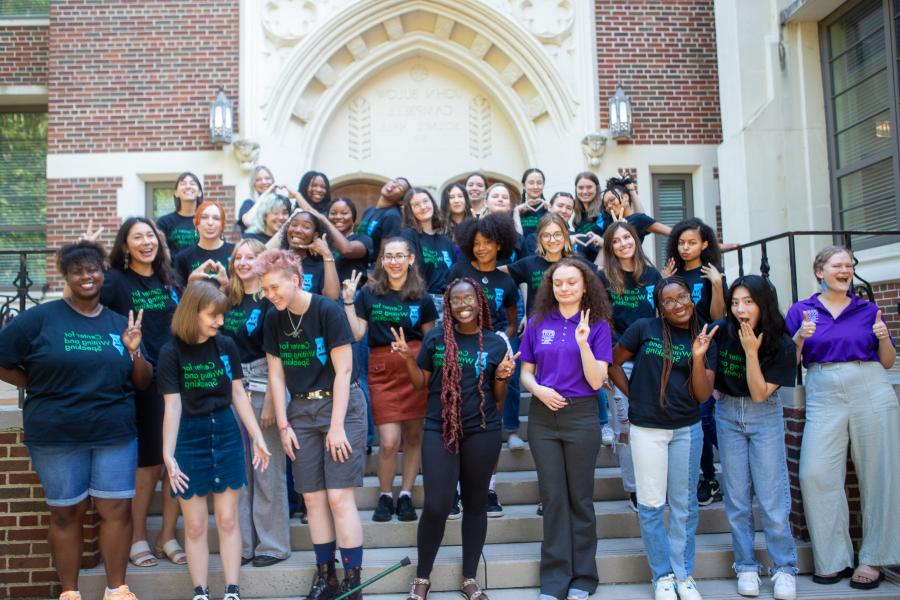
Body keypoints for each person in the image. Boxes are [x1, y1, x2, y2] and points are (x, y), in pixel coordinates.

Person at [0, 241, 152, 600]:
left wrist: (134, 352)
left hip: (114, 432)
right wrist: (33, 382)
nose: (87, 276)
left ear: (103, 273)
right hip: (56, 434)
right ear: (66, 275)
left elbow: (143, 382)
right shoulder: (40, 319)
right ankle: (70, 592)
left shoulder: (120, 323)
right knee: (68, 513)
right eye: (78, 270)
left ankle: (117, 589)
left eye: (93, 269)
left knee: (116, 509)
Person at [257, 249, 368, 600]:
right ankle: (326, 577)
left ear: (294, 280)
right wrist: (284, 424)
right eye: (265, 290)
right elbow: (275, 374)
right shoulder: (273, 318)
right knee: (312, 499)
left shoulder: (327, 310)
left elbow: (345, 370)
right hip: (302, 411)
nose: (269, 295)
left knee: (338, 498)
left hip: (342, 407)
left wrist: (336, 427)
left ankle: (353, 583)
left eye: (274, 287)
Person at [787, 246, 899, 591]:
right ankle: (833, 559)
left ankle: (874, 558)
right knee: (815, 472)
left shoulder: (868, 310)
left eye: (849, 265)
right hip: (822, 389)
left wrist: (883, 339)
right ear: (819, 271)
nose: (845, 270)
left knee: (880, 473)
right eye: (838, 265)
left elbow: (888, 361)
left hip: (870, 385)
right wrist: (798, 339)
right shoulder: (802, 311)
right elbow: (788, 361)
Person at [397, 278, 517, 600]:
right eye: (455, 301)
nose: (462, 306)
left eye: (468, 300)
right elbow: (421, 383)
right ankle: (422, 577)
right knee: (437, 505)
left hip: (482, 429)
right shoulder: (436, 338)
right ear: (448, 306)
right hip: (440, 428)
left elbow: (498, 398)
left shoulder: (494, 344)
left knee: (476, 505)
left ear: (480, 302)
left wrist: (503, 378)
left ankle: (469, 578)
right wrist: (408, 358)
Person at [159, 281, 271, 600]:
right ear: (193, 312)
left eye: (222, 316)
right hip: (189, 437)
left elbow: (238, 393)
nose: (220, 322)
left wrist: (258, 437)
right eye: (213, 315)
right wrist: (168, 455)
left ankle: (232, 591)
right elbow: (173, 405)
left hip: (225, 432)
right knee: (194, 526)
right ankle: (201, 592)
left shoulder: (226, 346)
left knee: (227, 518)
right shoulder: (171, 352)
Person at [609, 276, 718, 600]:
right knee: (652, 505)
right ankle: (662, 576)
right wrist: (634, 397)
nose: (678, 304)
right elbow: (613, 362)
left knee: (684, 507)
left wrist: (698, 356)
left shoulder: (705, 335)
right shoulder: (644, 328)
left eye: (682, 297)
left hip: (686, 429)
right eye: (669, 301)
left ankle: (683, 574)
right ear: (660, 307)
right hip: (647, 430)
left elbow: (702, 394)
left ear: (691, 297)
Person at [519, 258, 612, 600]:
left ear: (585, 285)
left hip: (581, 415)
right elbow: (525, 371)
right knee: (553, 499)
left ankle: (584, 578)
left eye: (571, 282)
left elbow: (597, 379)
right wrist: (538, 389)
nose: (564, 288)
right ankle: (555, 580)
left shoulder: (599, 324)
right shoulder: (538, 321)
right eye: (558, 283)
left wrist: (584, 342)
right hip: (543, 418)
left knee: (580, 499)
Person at [100, 217, 185, 568]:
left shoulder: (170, 279)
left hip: (178, 377)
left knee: (176, 462)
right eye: (137, 237)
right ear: (125, 245)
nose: (146, 242)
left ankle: (167, 534)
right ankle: (137, 537)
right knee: (149, 464)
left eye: (150, 235)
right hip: (142, 379)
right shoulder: (115, 281)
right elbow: (82, 304)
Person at [713, 275, 797, 599]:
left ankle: (784, 567)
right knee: (736, 497)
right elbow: (710, 369)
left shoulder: (782, 343)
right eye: (735, 302)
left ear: (763, 303)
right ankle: (746, 566)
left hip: (764, 415)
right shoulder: (724, 331)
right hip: (728, 414)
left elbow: (761, 394)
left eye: (748, 302)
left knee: (772, 497)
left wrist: (751, 353)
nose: (740, 309)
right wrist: (716, 388)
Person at [342, 237, 438, 522]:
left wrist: (416, 358)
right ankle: (385, 495)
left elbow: (431, 338)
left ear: (410, 259)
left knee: (413, 436)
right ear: (382, 261)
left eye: (400, 255)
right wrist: (348, 301)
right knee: (388, 441)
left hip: (414, 365)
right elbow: (358, 333)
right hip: (382, 369)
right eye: (388, 256)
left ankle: (406, 494)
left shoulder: (423, 296)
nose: (394, 261)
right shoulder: (370, 293)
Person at [503, 214, 600, 451]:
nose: (552, 239)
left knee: (590, 371)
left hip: (577, 327)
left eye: (557, 234)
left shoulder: (581, 264)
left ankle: (603, 423)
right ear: (539, 239)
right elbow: (497, 273)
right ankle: (513, 429)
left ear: (566, 235)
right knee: (521, 373)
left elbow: (604, 280)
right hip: (540, 330)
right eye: (546, 235)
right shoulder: (530, 263)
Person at [221, 239, 290, 568]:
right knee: (241, 470)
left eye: (252, 257)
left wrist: (270, 404)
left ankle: (273, 545)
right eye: (239, 257)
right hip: (232, 387)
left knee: (267, 469)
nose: (244, 262)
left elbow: (276, 354)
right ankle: (244, 544)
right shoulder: (227, 300)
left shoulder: (270, 301)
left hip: (265, 385)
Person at [448, 213, 520, 517]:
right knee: (454, 419)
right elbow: (448, 310)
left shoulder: (506, 280)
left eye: (487, 243)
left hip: (493, 354)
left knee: (490, 423)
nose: (481, 248)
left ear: (500, 244)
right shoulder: (459, 270)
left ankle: (487, 488)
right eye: (476, 243)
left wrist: (501, 341)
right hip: (461, 355)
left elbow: (514, 323)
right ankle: (452, 488)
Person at [598, 221, 663, 512]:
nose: (623, 243)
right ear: (610, 247)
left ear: (636, 240)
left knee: (655, 426)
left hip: (652, 359)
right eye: (617, 240)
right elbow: (603, 321)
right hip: (619, 362)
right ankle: (634, 488)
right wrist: (607, 362)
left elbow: (663, 315)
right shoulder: (604, 279)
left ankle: (656, 485)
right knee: (624, 428)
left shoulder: (652, 275)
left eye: (627, 237)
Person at [663, 217, 727, 507]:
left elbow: (718, 317)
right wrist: (663, 282)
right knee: (693, 416)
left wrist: (716, 284)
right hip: (678, 349)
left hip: (707, 348)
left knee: (703, 414)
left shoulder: (710, 274)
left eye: (692, 242)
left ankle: (718, 469)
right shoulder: (673, 275)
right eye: (681, 242)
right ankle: (708, 476)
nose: (685, 247)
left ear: (704, 244)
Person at [400, 187, 456, 320]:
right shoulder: (409, 235)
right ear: (410, 211)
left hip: (450, 303)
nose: (423, 207)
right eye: (416, 205)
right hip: (423, 302)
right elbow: (411, 270)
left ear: (432, 203)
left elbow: (453, 272)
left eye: (426, 201)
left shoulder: (446, 240)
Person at [275, 210, 340, 300]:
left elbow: (332, 298)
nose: (297, 230)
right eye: (294, 225)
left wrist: (327, 254)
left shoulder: (320, 266)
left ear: (315, 236)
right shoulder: (275, 261)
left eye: (306, 227)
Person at [173, 201, 234, 286]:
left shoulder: (235, 252)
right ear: (195, 223)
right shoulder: (182, 258)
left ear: (222, 224)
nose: (210, 223)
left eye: (216, 218)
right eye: (204, 217)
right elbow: (179, 294)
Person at [356, 176, 411, 261]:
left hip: (371, 270)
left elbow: (386, 252)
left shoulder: (392, 216)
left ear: (401, 201)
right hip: (358, 265)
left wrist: (375, 273)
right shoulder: (369, 210)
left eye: (399, 188)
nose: (394, 185)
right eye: (394, 181)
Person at [602, 176, 670, 243]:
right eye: (605, 205)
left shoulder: (638, 219)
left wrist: (631, 190)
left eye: (611, 200)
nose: (609, 206)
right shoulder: (609, 223)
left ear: (625, 197)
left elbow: (672, 233)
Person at [156, 172, 202, 255]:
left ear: (199, 192)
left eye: (192, 183)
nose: (188, 186)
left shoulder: (207, 221)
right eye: (183, 184)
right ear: (176, 193)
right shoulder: (163, 222)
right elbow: (159, 253)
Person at [572, 171, 605, 261]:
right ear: (576, 189)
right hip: (586, 264)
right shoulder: (577, 214)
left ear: (597, 188)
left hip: (606, 263)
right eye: (581, 188)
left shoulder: (605, 208)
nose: (585, 191)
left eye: (589, 187)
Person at [237, 166, 276, 234]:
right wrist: (264, 196)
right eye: (258, 180)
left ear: (272, 181)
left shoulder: (280, 203)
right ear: (254, 184)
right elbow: (248, 222)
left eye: (267, 178)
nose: (264, 182)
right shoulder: (248, 204)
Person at [513, 168, 549, 237]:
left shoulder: (549, 209)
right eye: (531, 183)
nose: (535, 187)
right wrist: (516, 212)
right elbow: (518, 239)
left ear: (543, 185)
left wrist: (551, 212)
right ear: (524, 185)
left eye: (539, 183)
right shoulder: (516, 211)